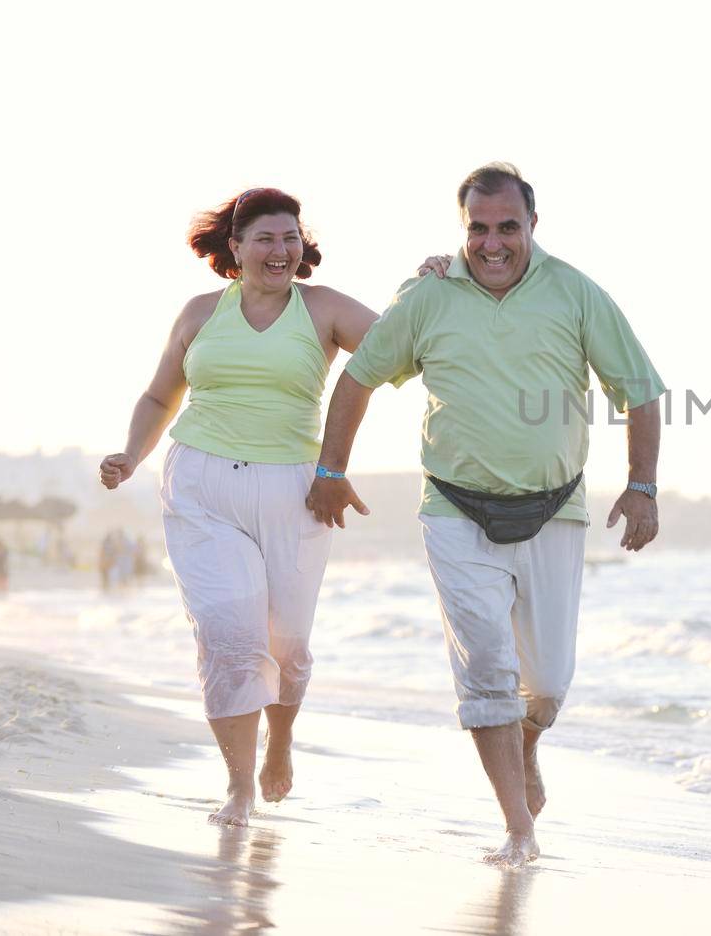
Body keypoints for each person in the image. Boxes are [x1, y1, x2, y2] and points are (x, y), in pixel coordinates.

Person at [306, 162, 663, 867]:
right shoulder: (430, 295)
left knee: (549, 685)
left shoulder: (577, 294)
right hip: (454, 507)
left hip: (554, 509)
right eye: (478, 228)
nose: (492, 243)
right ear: (461, 227)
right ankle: (518, 829)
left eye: (508, 228)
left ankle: (525, 744)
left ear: (533, 226)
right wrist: (329, 470)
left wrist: (642, 484)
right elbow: (358, 377)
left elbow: (640, 390)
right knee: (488, 671)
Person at [97, 187, 392, 827]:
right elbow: (157, 397)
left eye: (289, 237)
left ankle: (279, 743)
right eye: (265, 238)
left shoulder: (323, 310)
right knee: (230, 635)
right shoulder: (201, 314)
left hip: (295, 488)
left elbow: (402, 346)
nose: (280, 250)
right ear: (235, 248)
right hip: (202, 483)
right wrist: (131, 454)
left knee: (286, 644)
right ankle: (238, 787)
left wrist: (434, 282)